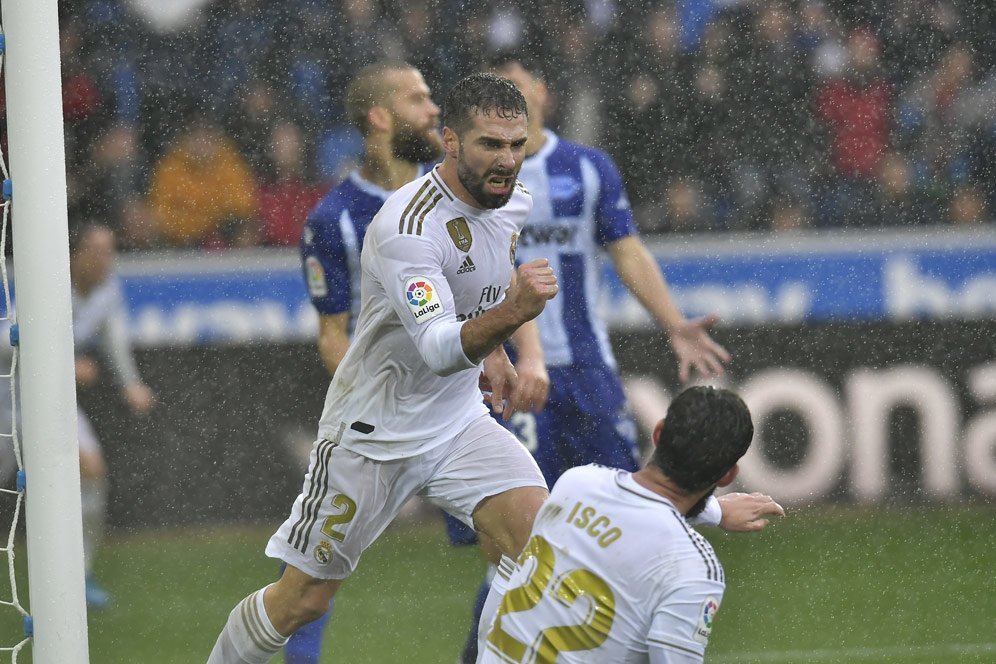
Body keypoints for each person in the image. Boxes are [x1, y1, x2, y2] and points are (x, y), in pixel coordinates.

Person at [206, 72, 557, 664]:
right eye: (489, 145)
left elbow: (485, 273)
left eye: (516, 145)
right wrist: (513, 313)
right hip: (372, 435)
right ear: (451, 141)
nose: (507, 161)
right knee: (302, 601)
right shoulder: (406, 227)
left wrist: (497, 348)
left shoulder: (511, 200)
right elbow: (442, 347)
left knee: (544, 552)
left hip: (457, 424)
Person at [451, 56, 736, 663]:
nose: (513, 105)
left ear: (543, 95)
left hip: (586, 373)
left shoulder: (586, 167)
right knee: (514, 547)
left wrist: (673, 324)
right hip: (508, 377)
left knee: (634, 513)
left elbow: (626, 251)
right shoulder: (464, 177)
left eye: (520, 91)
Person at [479, 385, 785, 663]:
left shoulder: (577, 483)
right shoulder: (694, 568)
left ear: (658, 433)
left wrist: (713, 511)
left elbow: (630, 521)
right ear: (728, 475)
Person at [70, 222, 155, 607]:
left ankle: (78, 574)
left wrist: (131, 384)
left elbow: (114, 339)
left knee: (92, 469)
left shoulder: (106, 292)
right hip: (10, 396)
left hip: (41, 406)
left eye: (111, 250)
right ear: (75, 254)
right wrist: (62, 367)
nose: (106, 260)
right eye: (97, 250)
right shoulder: (42, 281)